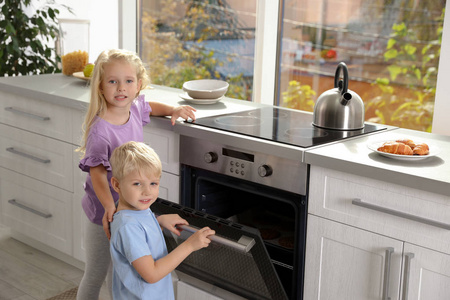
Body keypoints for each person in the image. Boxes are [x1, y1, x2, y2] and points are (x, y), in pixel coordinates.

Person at [76, 49, 197, 300]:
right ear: (100, 85)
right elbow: (97, 175)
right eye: (113, 81)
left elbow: (150, 106)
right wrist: (110, 208)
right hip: (105, 213)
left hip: (131, 204)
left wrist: (173, 109)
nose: (121, 88)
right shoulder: (100, 131)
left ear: (138, 85)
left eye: (128, 81)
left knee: (121, 272)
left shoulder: (134, 108)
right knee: (97, 271)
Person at [109, 141, 215, 299]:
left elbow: (140, 236)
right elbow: (151, 274)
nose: (147, 192)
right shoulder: (128, 226)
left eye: (153, 183)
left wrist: (158, 222)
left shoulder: (137, 210)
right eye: (137, 184)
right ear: (117, 185)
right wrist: (190, 245)